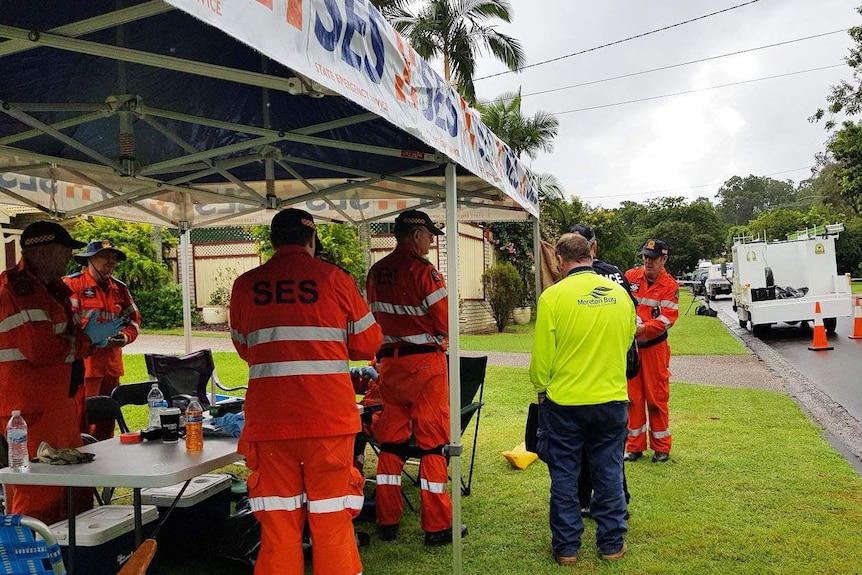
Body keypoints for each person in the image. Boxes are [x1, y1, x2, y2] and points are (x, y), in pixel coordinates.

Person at [229, 208, 381, 575]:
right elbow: (369, 343)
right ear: (311, 240)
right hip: (328, 422)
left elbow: (244, 346)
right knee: (332, 520)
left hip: (270, 424)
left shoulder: (246, 285)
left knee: (279, 526)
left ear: (274, 241)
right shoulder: (336, 279)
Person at [0, 221, 124, 524]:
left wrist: (85, 339)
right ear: (42, 252)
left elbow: (59, 340)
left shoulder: (50, 289)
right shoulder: (19, 290)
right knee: (40, 493)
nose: (69, 258)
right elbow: (42, 349)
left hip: (57, 404)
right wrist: (87, 341)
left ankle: (76, 557)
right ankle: (32, 563)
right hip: (29, 411)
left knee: (75, 485)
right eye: (64, 251)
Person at [529, 233, 635, 565]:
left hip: (565, 403)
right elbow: (628, 341)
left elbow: (542, 359)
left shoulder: (553, 297)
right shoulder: (620, 295)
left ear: (560, 260)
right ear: (590, 253)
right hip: (611, 399)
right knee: (609, 473)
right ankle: (612, 544)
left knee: (565, 475)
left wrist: (542, 387)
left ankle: (566, 549)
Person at [365, 209, 461, 547]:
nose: (432, 240)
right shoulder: (424, 272)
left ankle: (387, 520)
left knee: (391, 443)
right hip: (424, 367)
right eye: (430, 234)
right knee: (433, 445)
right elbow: (447, 322)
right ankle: (437, 527)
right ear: (416, 235)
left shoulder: (375, 272)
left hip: (389, 367)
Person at [568, 223, 633, 517]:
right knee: (610, 449)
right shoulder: (615, 274)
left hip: (579, 376)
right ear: (592, 247)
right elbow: (631, 319)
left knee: (580, 446)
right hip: (611, 373)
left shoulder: (565, 282)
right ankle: (616, 501)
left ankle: (583, 500)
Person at [64, 240, 140, 440]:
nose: (111, 261)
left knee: (107, 422)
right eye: (105, 256)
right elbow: (64, 324)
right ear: (90, 259)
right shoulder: (72, 285)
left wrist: (124, 337)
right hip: (85, 366)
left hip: (111, 366)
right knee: (83, 420)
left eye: (114, 257)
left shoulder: (120, 289)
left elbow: (134, 321)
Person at [624, 239, 679, 463]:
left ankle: (661, 447)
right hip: (634, 349)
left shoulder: (670, 285)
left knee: (657, 399)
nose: (648, 261)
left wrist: (642, 328)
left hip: (655, 349)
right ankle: (634, 447)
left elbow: (667, 319)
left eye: (653, 258)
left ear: (664, 259)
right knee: (632, 398)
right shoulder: (630, 277)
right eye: (645, 256)